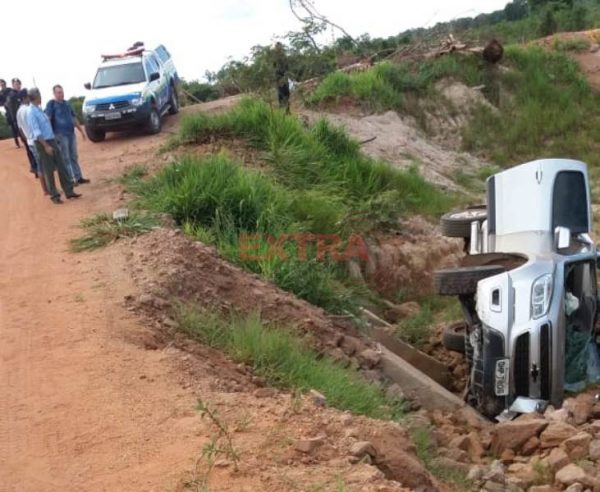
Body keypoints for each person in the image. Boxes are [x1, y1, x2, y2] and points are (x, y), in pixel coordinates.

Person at [27, 88, 81, 204]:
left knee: (62, 165)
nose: (41, 97)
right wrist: (46, 146)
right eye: (39, 95)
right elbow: (36, 132)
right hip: (42, 143)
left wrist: (53, 138)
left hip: (51, 140)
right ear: (36, 97)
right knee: (48, 170)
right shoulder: (31, 112)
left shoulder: (38, 109)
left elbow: (46, 126)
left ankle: (69, 190)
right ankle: (54, 196)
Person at [45, 84, 89, 185]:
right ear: (54, 93)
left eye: (62, 92)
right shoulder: (51, 104)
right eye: (59, 92)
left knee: (74, 156)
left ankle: (78, 177)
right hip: (60, 134)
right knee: (65, 158)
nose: (61, 94)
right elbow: (48, 119)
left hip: (70, 133)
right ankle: (70, 179)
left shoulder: (67, 104)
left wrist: (81, 131)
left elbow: (73, 118)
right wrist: (51, 134)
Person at [16, 91, 48, 195]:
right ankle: (48, 189)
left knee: (40, 164)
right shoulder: (29, 110)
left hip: (30, 141)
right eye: (28, 97)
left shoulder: (18, 111)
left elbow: (20, 129)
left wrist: (26, 139)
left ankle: (45, 189)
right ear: (24, 98)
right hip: (36, 139)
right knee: (43, 165)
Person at [0, 79, 21, 148]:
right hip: (8, 111)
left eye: (3, 83)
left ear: (5, 83)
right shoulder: (0, 93)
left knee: (19, 125)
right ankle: (17, 142)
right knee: (13, 127)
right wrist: (4, 103)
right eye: (1, 84)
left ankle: (23, 138)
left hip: (15, 109)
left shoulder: (10, 90)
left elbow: (16, 95)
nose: (2, 84)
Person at [273, 43, 290, 113]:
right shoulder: (274, 57)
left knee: (287, 93)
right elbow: (274, 68)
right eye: (278, 47)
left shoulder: (284, 56)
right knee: (281, 94)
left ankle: (287, 110)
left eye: (280, 47)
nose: (279, 48)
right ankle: (282, 110)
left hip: (285, 77)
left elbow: (287, 66)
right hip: (279, 78)